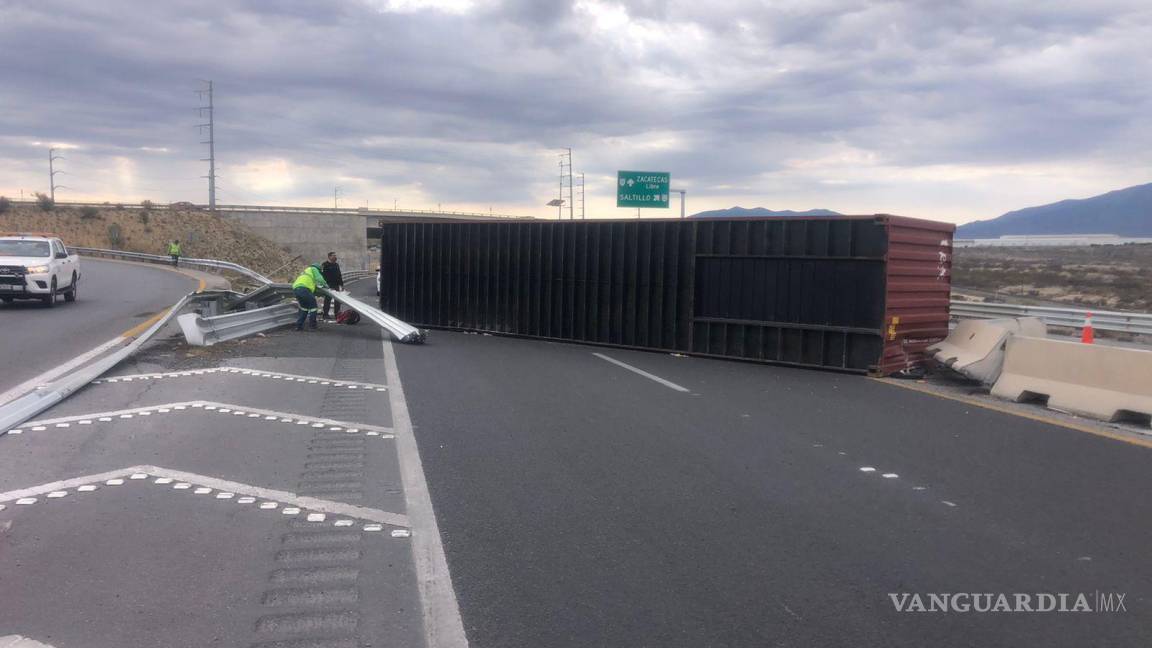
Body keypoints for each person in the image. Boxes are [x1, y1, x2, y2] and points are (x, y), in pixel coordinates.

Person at [291, 262, 329, 331]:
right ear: (318, 268)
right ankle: (312, 326)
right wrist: (326, 285)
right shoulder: (314, 269)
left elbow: (313, 281)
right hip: (304, 289)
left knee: (304, 308)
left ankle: (298, 326)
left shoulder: (306, 271)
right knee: (313, 308)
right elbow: (319, 278)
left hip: (296, 289)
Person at [320, 251, 344, 320]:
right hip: (328, 285)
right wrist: (325, 284)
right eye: (333, 255)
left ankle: (337, 314)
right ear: (329, 257)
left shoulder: (336, 265)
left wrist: (341, 285)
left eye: (335, 255)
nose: (335, 257)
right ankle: (325, 314)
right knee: (327, 300)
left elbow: (339, 275)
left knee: (337, 300)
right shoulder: (325, 264)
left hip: (336, 285)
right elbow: (322, 276)